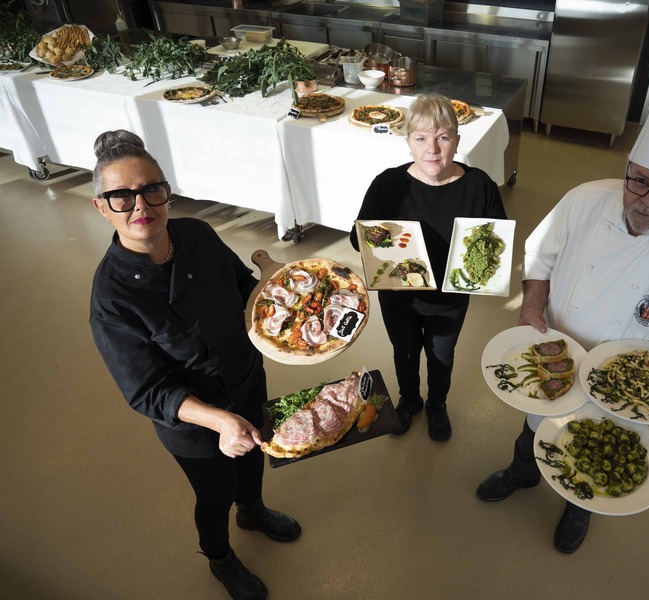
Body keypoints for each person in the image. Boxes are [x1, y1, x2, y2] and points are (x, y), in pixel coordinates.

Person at [476, 57, 649, 553]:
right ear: (628, 167)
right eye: (639, 180)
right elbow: (540, 254)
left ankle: (579, 509)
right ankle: (522, 472)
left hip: (620, 389)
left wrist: (635, 388)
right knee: (533, 429)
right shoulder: (584, 200)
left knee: (591, 450)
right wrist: (531, 309)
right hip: (555, 354)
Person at [89, 130, 300, 600]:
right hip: (194, 419)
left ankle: (254, 510)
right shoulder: (112, 298)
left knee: (256, 456)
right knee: (213, 492)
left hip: (244, 375)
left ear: (167, 191)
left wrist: (286, 315)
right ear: (101, 207)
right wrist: (218, 419)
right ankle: (221, 558)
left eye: (151, 189)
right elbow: (146, 391)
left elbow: (243, 286)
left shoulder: (197, 235)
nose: (140, 204)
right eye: (121, 195)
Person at [350, 94, 507, 441]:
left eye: (442, 137)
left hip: (450, 299)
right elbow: (356, 238)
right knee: (404, 352)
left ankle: (438, 403)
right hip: (400, 297)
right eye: (420, 138)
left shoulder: (479, 185)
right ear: (408, 142)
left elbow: (497, 241)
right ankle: (410, 400)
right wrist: (388, 241)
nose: (432, 149)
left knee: (441, 356)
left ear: (456, 141)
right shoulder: (388, 185)